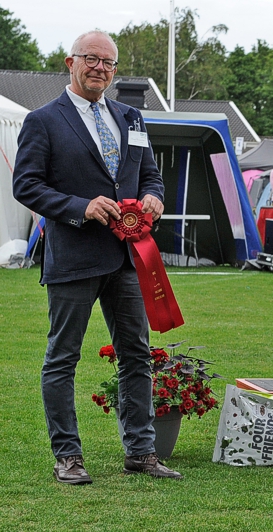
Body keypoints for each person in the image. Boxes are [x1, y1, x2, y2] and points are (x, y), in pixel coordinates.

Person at [12, 30, 182, 484]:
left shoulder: (132, 117)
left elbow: (151, 175)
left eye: (109, 62)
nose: (100, 68)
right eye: (92, 59)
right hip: (73, 257)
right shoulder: (43, 120)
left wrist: (153, 197)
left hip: (129, 259)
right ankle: (68, 456)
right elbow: (25, 185)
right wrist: (80, 207)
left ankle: (141, 452)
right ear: (70, 62)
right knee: (62, 358)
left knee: (137, 355)